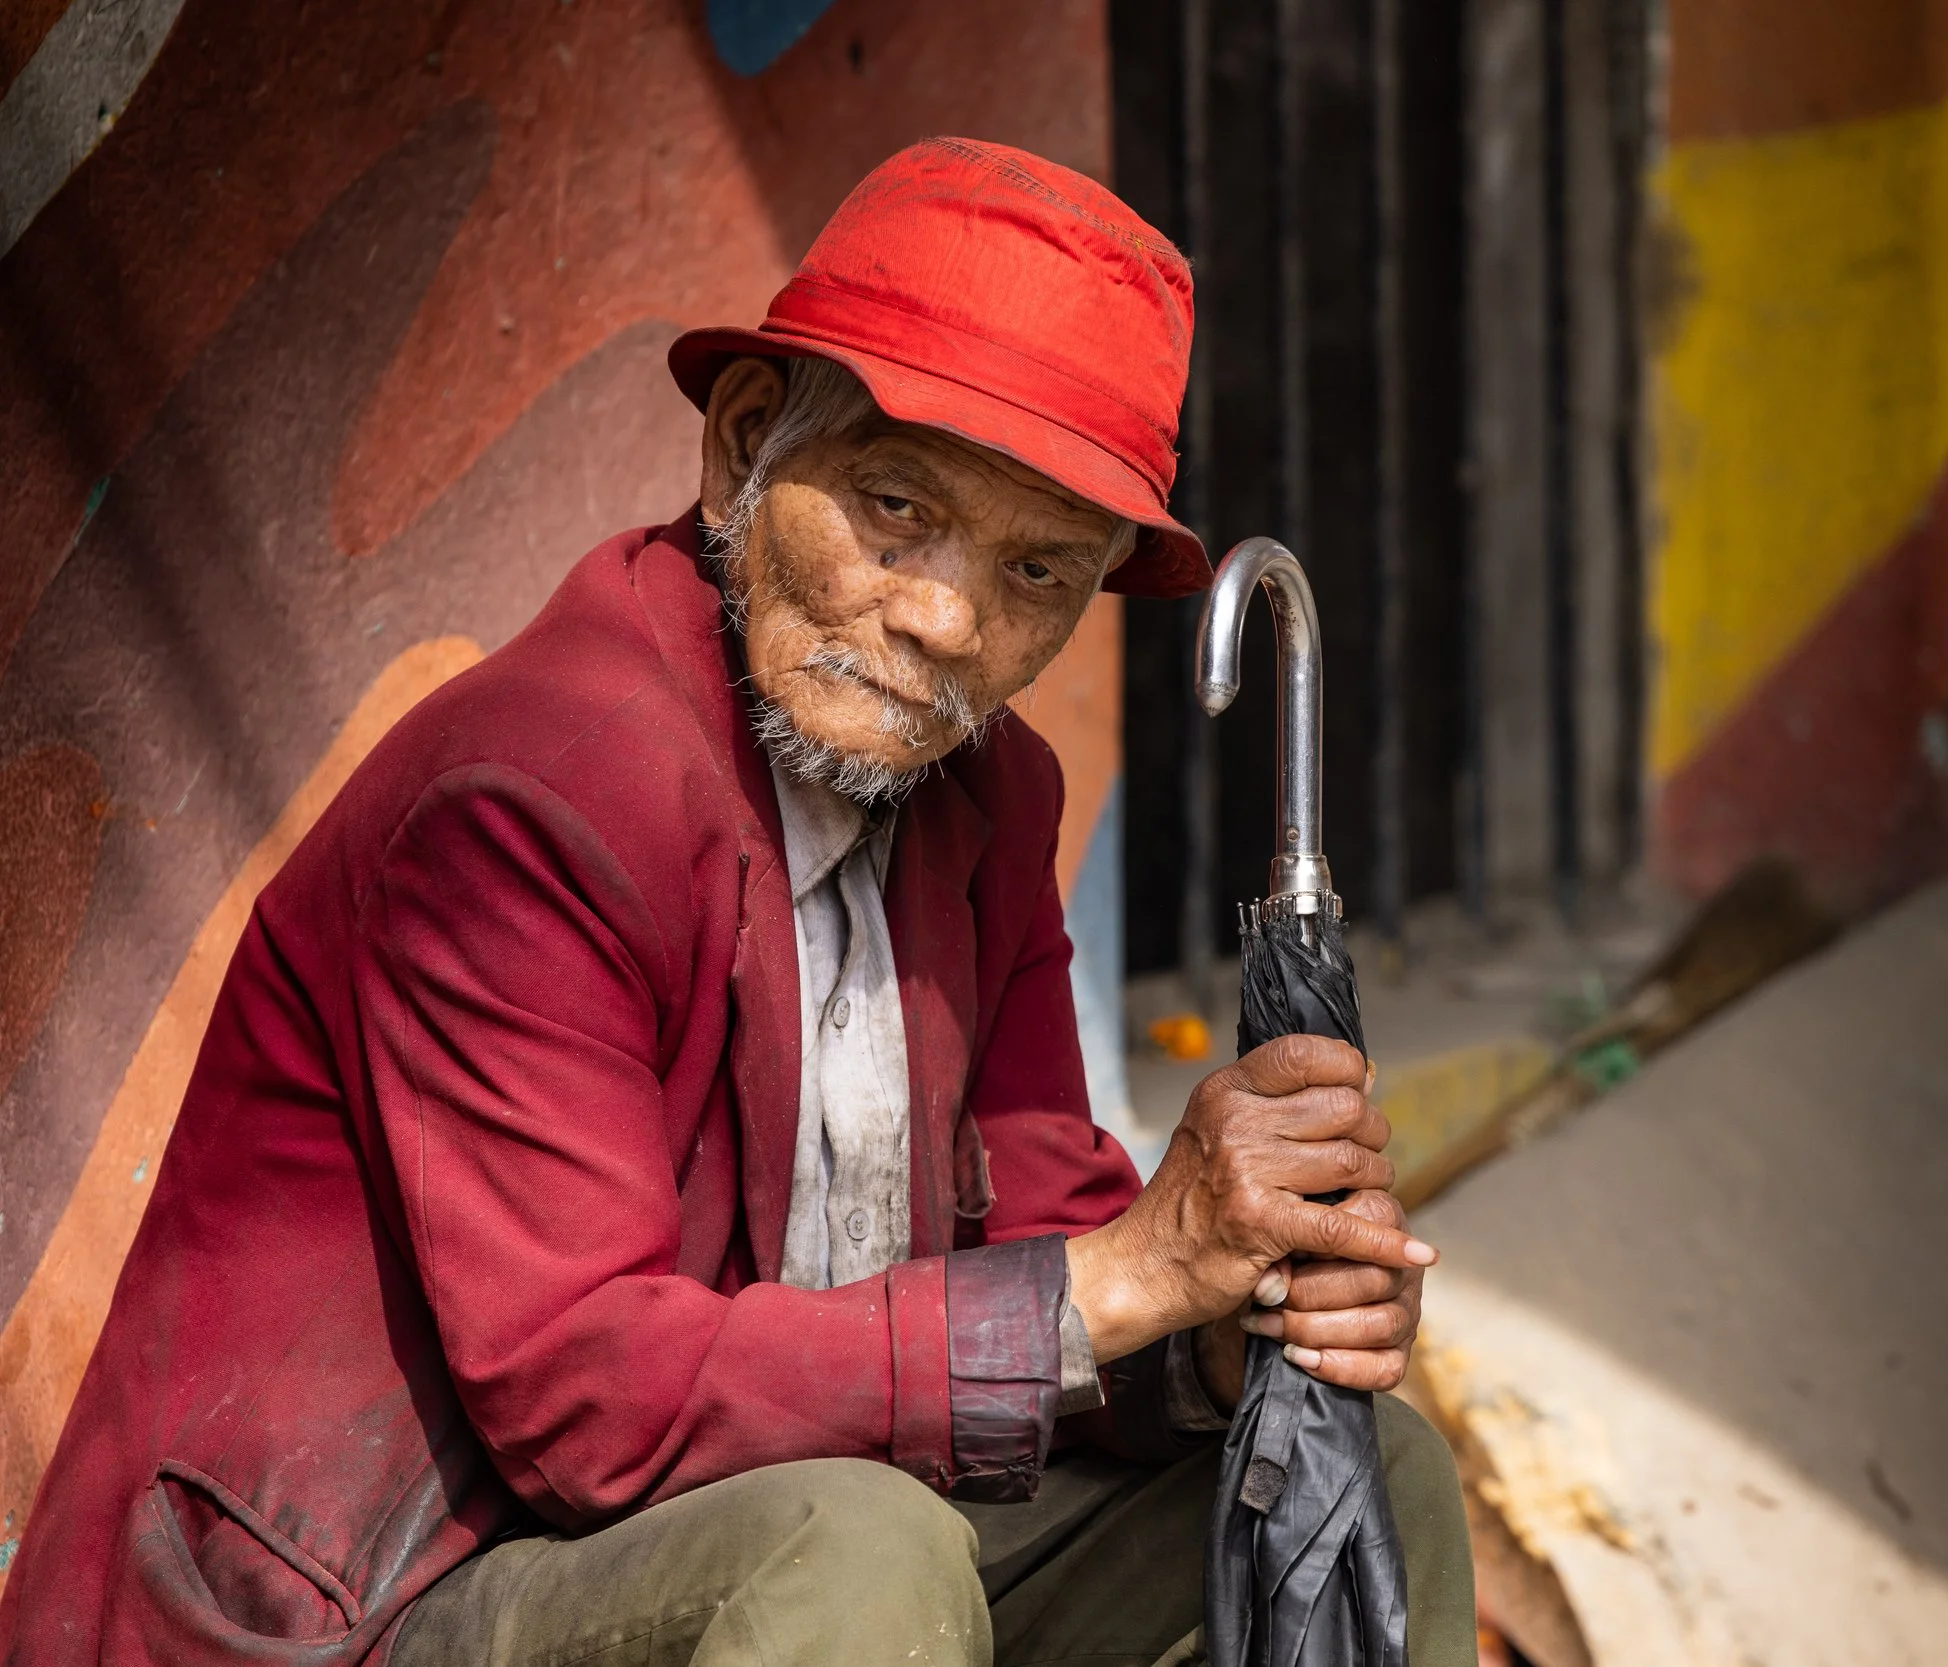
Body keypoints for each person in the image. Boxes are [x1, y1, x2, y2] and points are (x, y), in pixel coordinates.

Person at [0, 138, 1473, 1667]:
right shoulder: (537, 794)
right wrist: (1129, 1274)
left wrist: (1227, 1330)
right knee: (857, 1547)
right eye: (896, 506)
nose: (945, 620)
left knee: (1354, 1471)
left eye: (1039, 574)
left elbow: (1049, 1227)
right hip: (376, 1605)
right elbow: (583, 1402)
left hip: (756, 1545)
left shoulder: (988, 799)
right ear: (744, 449)